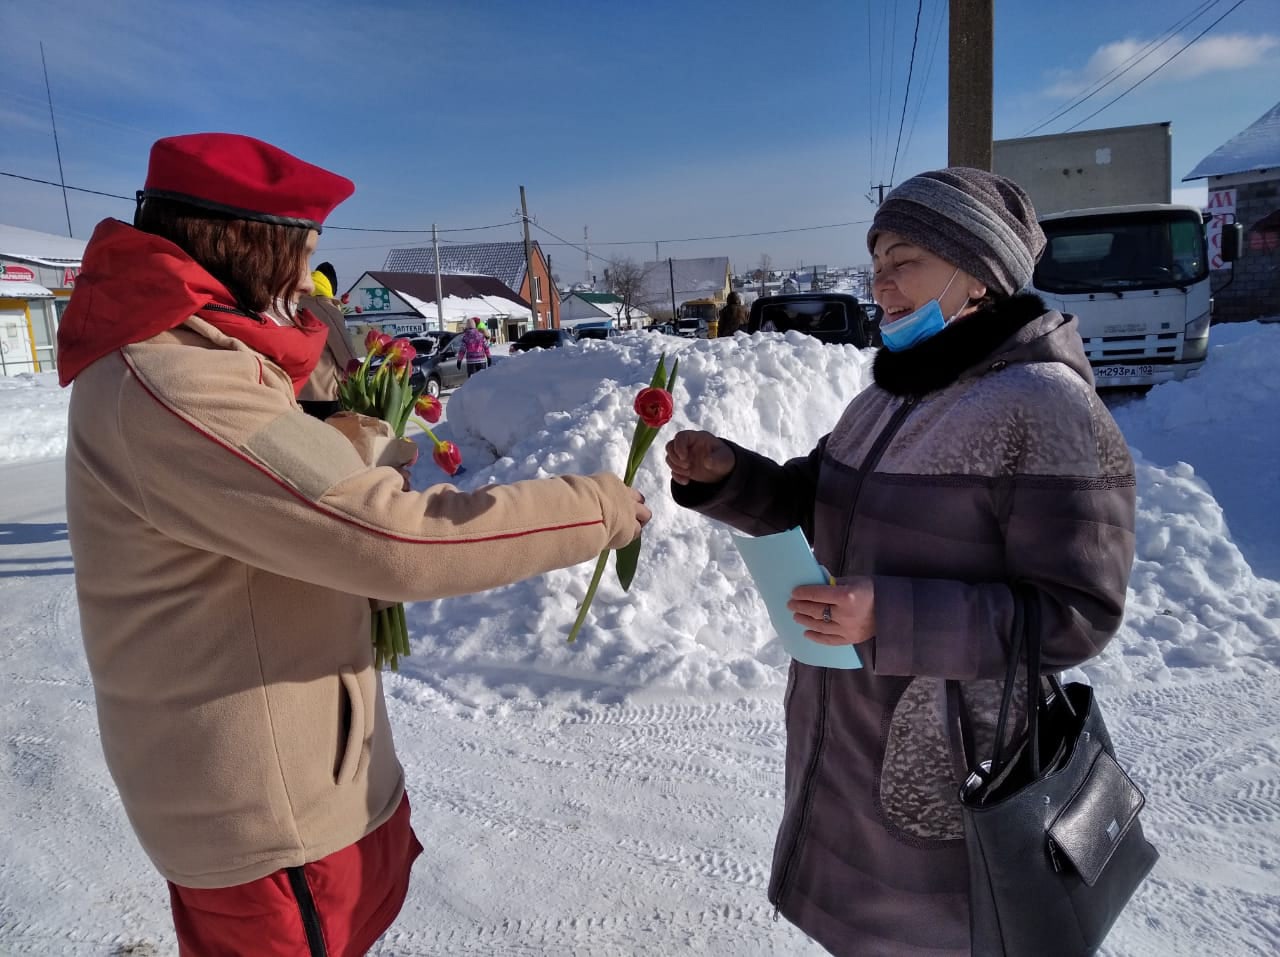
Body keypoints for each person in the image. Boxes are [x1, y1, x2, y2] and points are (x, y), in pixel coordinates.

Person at [57, 132, 650, 957]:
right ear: (244, 244)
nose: (308, 281)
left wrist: (350, 440)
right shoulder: (171, 375)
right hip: (271, 821)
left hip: (299, 781)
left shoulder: (201, 347)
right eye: (302, 254)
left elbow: (275, 483)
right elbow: (392, 540)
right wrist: (597, 507)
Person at [665, 168, 1136, 956]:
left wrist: (890, 614)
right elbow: (809, 499)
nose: (879, 284)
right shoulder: (886, 399)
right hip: (844, 742)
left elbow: (1076, 612)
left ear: (978, 273)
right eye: (876, 261)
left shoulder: (1047, 406)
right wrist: (727, 475)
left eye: (904, 261)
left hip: (953, 768)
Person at [298, 260, 360, 420]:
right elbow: (346, 355)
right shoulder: (326, 309)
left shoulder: (293, 306)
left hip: (297, 393)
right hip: (326, 395)